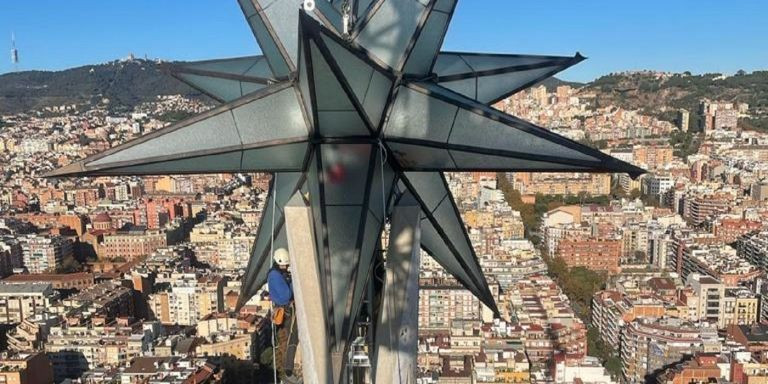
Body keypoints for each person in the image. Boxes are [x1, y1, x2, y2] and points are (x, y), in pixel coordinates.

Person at [268, 248, 299, 382]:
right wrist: (292, 282)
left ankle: (288, 369)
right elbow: (286, 296)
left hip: (285, 309)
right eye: (284, 265)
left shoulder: (276, 273)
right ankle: (288, 370)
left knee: (292, 337)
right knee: (292, 336)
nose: (286, 267)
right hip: (286, 310)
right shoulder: (275, 275)